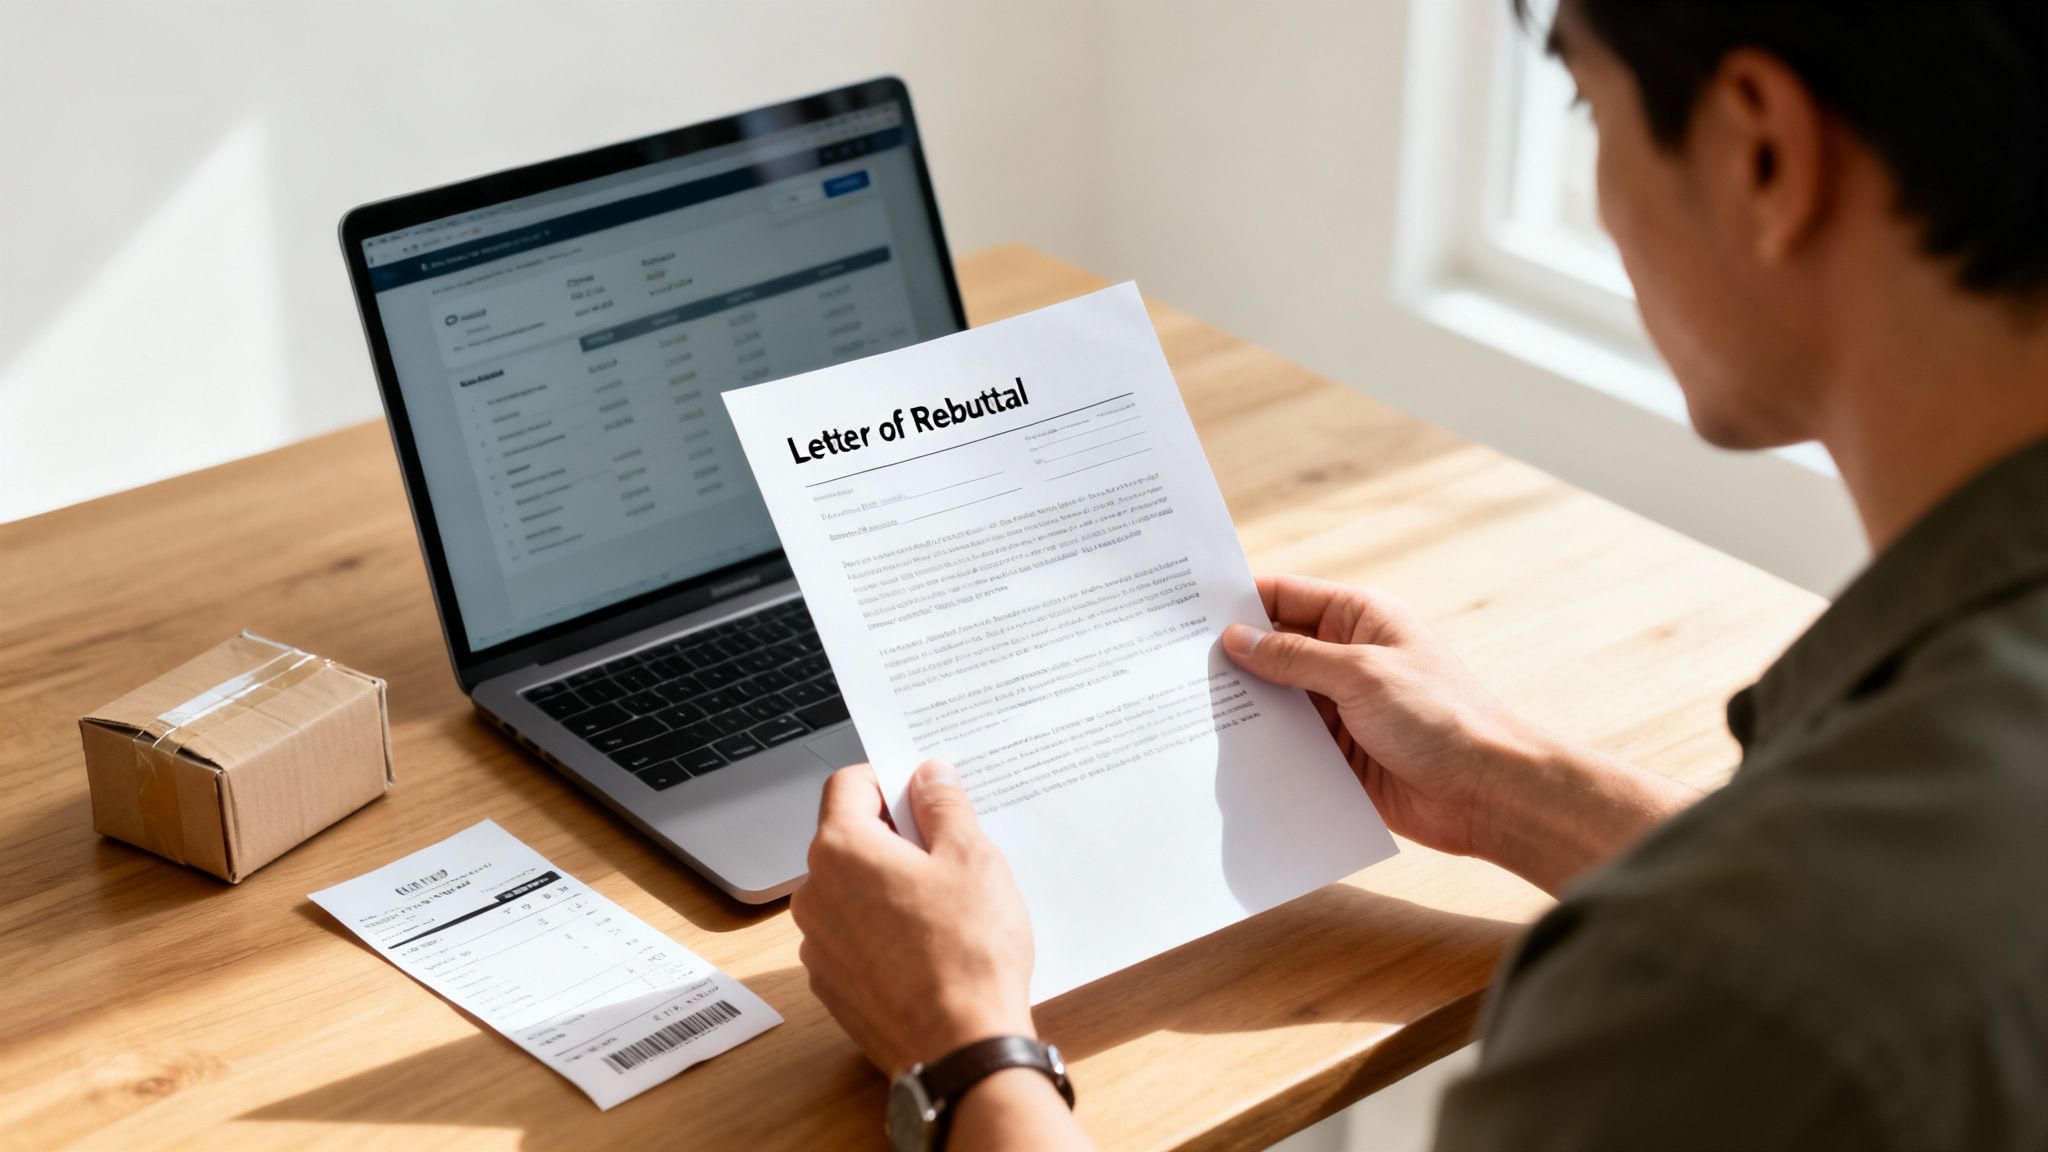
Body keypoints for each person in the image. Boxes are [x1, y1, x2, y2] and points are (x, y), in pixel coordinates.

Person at [789, 0, 2048, 1147]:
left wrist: (963, 1051)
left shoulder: (1718, 1019)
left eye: (1585, 108)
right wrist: (1507, 787)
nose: (1598, 194)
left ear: (1759, 152)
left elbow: (1782, 970)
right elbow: (1821, 919)